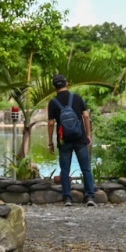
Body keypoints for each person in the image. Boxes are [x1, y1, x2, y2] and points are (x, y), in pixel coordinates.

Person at [47, 74, 96, 206]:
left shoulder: (53, 103)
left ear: (54, 87)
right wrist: (88, 134)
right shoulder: (77, 98)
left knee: (65, 169)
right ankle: (90, 196)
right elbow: (86, 116)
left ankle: (67, 198)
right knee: (85, 168)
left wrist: (50, 142)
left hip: (63, 140)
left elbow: (51, 123)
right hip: (80, 137)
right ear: (66, 84)